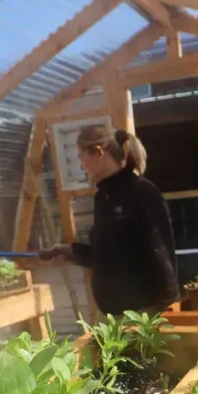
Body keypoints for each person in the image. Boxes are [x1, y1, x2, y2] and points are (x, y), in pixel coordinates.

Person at [39, 125, 179, 316]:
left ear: (98, 153)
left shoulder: (142, 192)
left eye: (81, 157)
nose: (81, 166)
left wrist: (166, 308)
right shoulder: (103, 197)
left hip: (142, 313)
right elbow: (107, 255)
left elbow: (161, 252)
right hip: (114, 313)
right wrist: (69, 251)